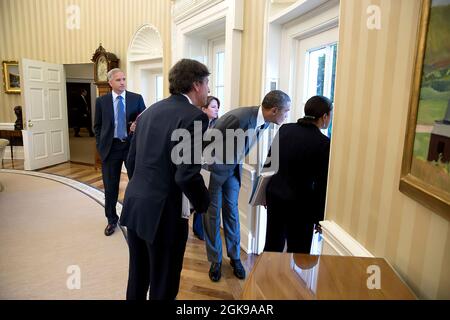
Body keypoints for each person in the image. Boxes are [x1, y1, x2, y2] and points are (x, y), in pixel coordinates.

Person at [119, 59, 211, 300]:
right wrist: (204, 203)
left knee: (138, 277)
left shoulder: (149, 111)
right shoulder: (195, 117)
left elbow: (131, 160)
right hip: (164, 214)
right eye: (207, 84)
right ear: (196, 85)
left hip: (136, 203)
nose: (209, 90)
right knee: (164, 283)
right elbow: (187, 174)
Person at [203, 90, 291, 282]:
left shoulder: (266, 122)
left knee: (232, 213)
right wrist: (215, 164)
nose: (287, 115)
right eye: (287, 111)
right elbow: (208, 138)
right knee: (212, 214)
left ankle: (235, 258)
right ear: (275, 110)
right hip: (217, 171)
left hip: (234, 172)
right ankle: (215, 260)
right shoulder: (238, 117)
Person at [264, 95, 332, 253]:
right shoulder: (323, 143)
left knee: (272, 245)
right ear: (324, 116)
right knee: (298, 251)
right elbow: (322, 184)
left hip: (275, 197)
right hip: (301, 205)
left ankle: (266, 277)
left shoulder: (285, 129)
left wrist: (265, 193)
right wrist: (319, 217)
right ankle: (290, 278)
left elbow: (269, 163)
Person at [94, 68, 145, 237]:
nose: (123, 82)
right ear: (110, 83)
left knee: (137, 184)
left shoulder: (136, 99)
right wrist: (101, 145)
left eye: (124, 79)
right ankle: (111, 220)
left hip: (131, 147)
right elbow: (98, 126)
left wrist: (135, 128)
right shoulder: (101, 102)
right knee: (110, 187)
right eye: (118, 80)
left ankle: (137, 218)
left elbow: (144, 122)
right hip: (110, 149)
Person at [192, 96, 220, 240]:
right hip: (196, 165)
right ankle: (197, 227)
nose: (217, 109)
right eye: (213, 107)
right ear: (203, 108)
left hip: (211, 167)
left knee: (206, 196)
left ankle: (200, 228)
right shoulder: (196, 125)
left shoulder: (219, 125)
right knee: (196, 195)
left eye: (217, 107)